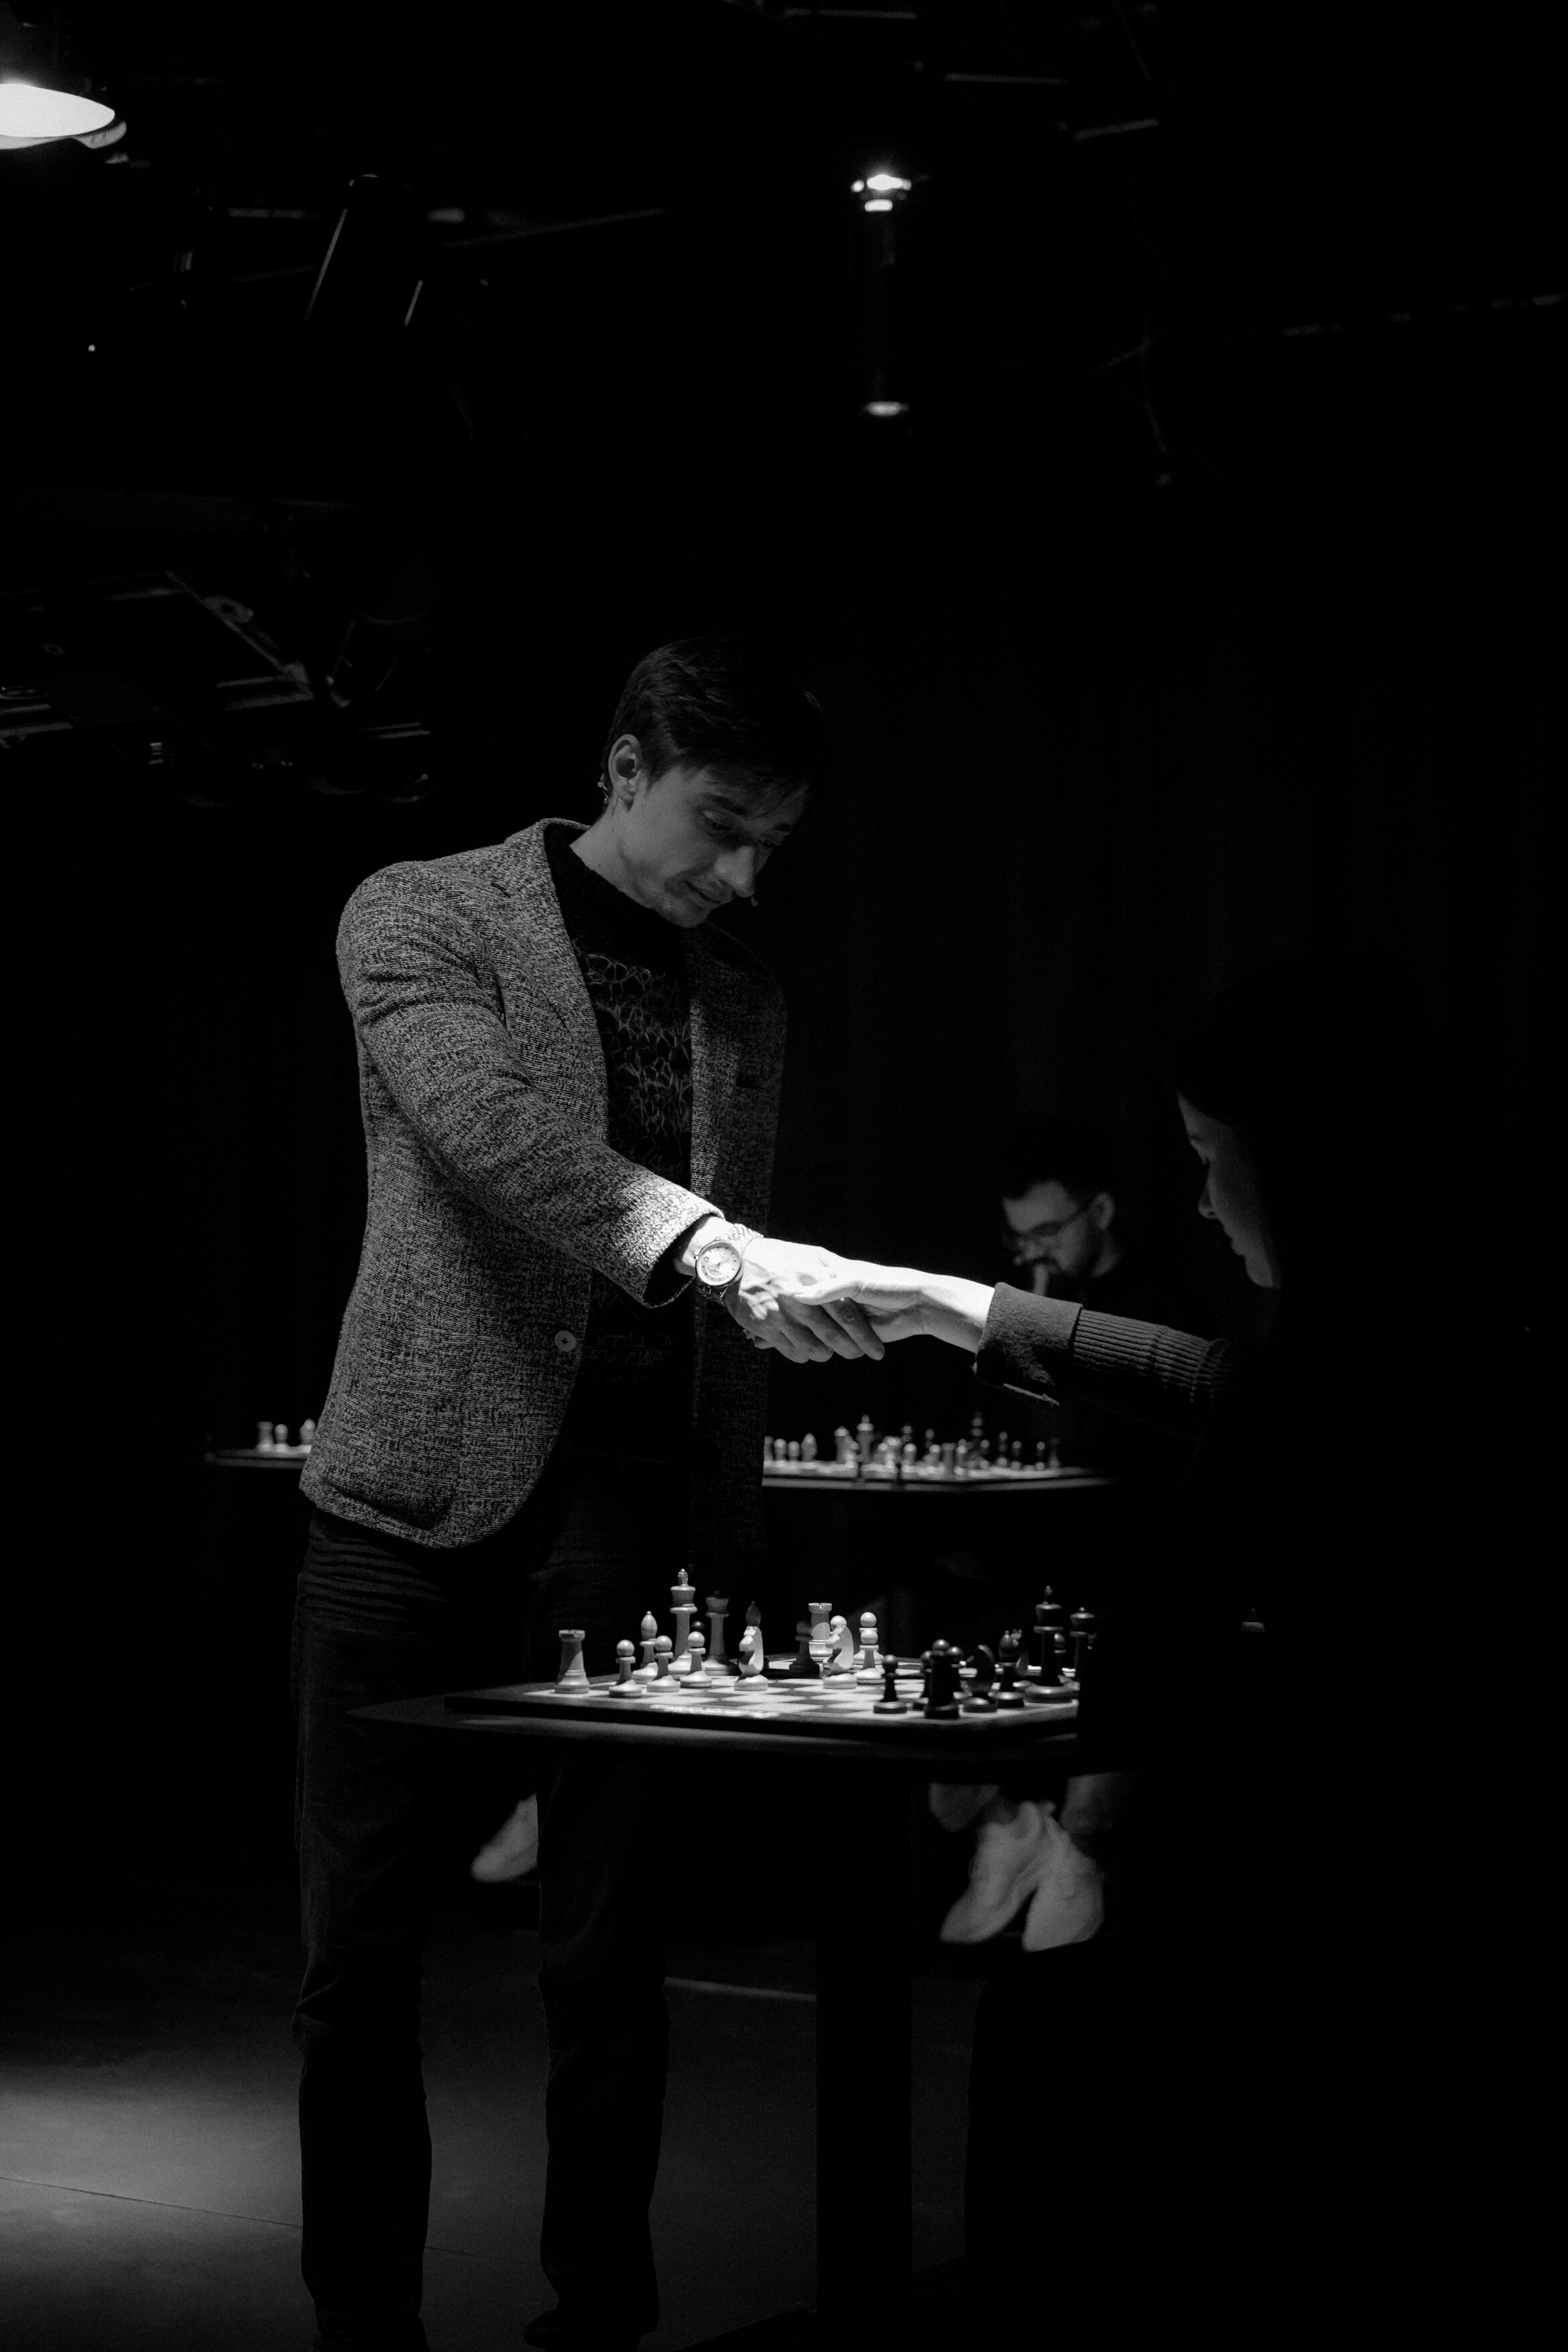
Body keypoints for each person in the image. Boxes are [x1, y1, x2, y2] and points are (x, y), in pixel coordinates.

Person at [291, 637, 878, 2352]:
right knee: (356, 1954)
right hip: (405, 1487)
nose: (747, 872)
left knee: (611, 1951)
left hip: (630, 1504)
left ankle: (600, 2315)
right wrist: (715, 1245)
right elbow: (488, 1135)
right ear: (625, 768)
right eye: (724, 821)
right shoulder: (421, 910)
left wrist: (733, 1514)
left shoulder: (743, 981)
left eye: (777, 840)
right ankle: (360, 2325)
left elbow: (725, 1306)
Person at [804, 957, 1519, 2331]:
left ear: (1300, 1159)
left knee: (1054, 2067)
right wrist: (962, 1308)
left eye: (1207, 1154)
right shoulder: (1440, 1312)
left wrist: (1092, 1805)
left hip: (1371, 1940)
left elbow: (1165, 1626)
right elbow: (1234, 1389)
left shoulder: (1376, 1357)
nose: (1200, 1196)